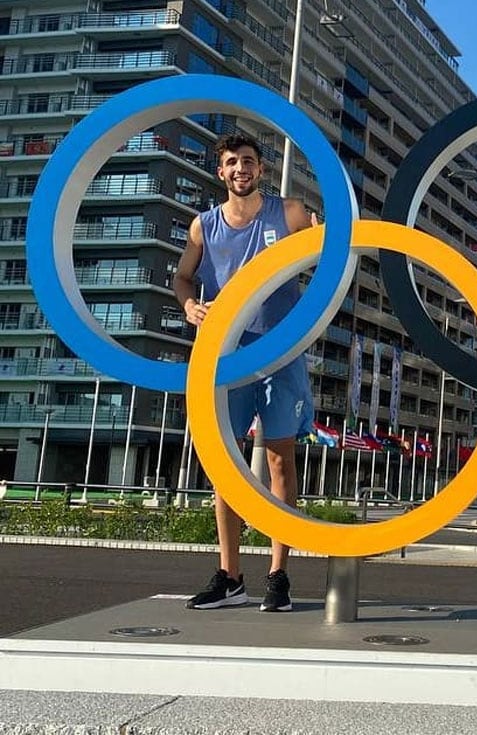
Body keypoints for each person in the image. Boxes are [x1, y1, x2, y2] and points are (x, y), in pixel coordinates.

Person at [173, 132, 315, 612]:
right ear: (221, 171)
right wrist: (189, 303)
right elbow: (181, 277)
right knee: (225, 468)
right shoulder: (203, 226)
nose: (240, 169)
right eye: (232, 162)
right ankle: (230, 575)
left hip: (279, 352)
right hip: (227, 357)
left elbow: (338, 241)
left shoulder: (289, 213)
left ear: (261, 169)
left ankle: (278, 575)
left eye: (248, 161)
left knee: (279, 461)